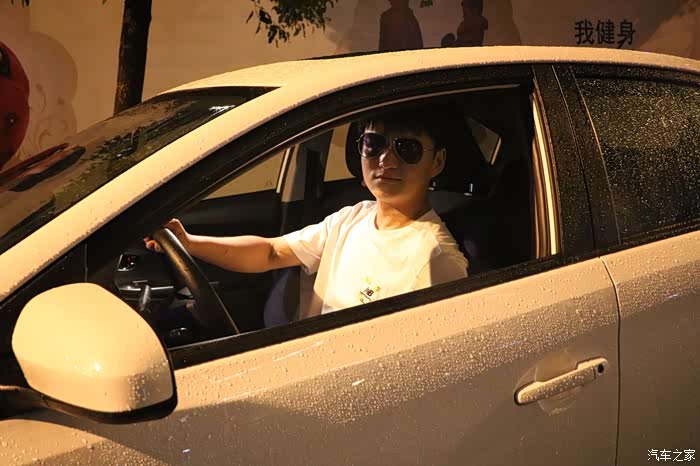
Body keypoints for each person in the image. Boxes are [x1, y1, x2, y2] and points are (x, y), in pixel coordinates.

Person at [146, 106, 468, 320]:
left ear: (437, 162)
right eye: (374, 144)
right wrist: (189, 243)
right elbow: (271, 252)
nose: (385, 160)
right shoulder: (352, 218)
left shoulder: (436, 260)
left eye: (407, 148)